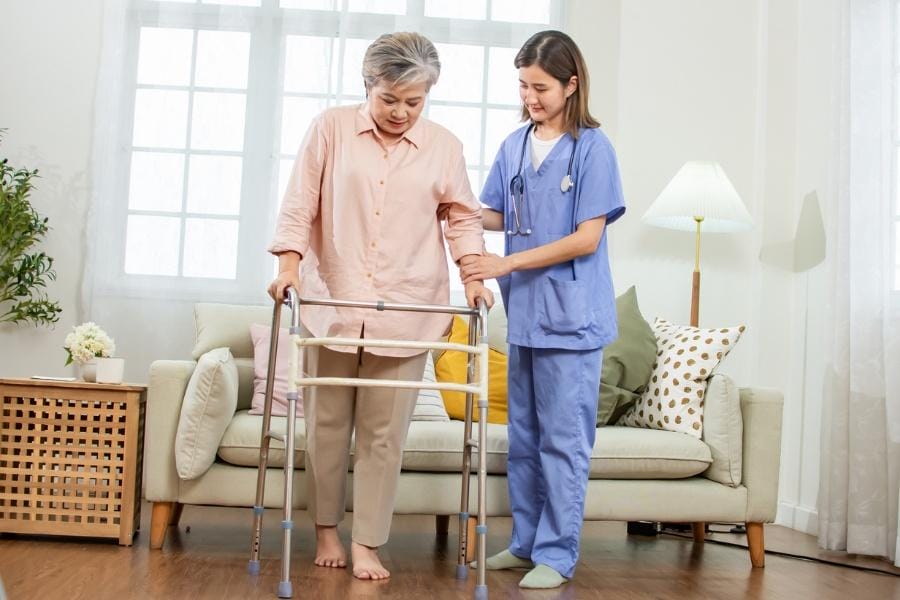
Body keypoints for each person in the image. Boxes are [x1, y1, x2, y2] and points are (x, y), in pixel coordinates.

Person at [268, 31, 493, 581]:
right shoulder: (330, 129)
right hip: (333, 300)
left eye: (414, 102)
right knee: (326, 425)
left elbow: (461, 217)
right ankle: (326, 530)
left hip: (409, 304)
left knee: (384, 433)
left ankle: (367, 540)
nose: (401, 112)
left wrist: (473, 276)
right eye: (389, 99)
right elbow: (301, 201)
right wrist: (288, 267)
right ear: (368, 86)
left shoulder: (444, 146)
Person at [460, 30, 625, 589]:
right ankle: (526, 542)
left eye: (541, 87)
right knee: (525, 439)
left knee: (562, 441)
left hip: (573, 320)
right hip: (527, 314)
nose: (530, 97)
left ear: (571, 84)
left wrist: (506, 265)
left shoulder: (593, 149)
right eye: (524, 86)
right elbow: (501, 215)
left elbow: (584, 237)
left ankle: (557, 553)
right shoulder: (514, 144)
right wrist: (449, 205)